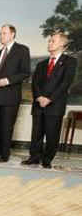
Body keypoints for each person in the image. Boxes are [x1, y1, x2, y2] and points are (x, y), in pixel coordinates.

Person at [22, 32, 77, 169]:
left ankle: (47, 159)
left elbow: (65, 83)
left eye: (53, 41)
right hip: (39, 104)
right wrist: (39, 97)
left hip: (55, 105)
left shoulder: (70, 62)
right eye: (49, 41)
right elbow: (35, 83)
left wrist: (50, 99)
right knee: (36, 134)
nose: (49, 43)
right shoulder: (41, 64)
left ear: (62, 45)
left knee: (52, 133)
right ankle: (34, 157)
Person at [0, 24, 30, 162]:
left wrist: (8, 80)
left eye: (4, 33)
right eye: (0, 34)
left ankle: (4, 155)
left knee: (6, 126)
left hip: (10, 96)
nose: (1, 36)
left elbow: (25, 72)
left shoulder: (22, 50)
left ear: (12, 34)